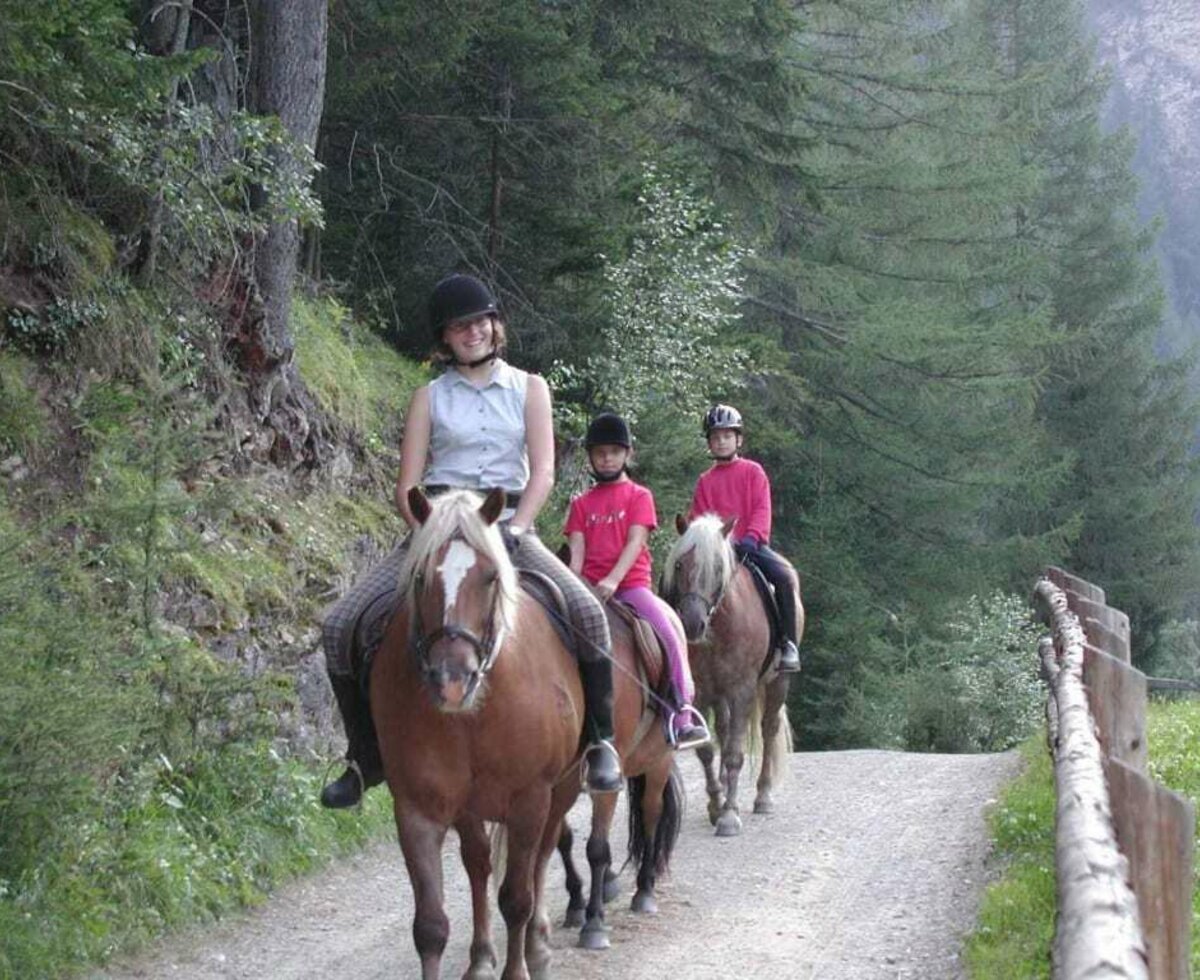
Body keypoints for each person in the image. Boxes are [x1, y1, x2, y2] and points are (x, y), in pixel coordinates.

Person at [318, 273, 622, 808]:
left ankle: (600, 743)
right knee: (341, 623)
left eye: (479, 321)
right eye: (459, 327)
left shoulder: (531, 388)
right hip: (437, 525)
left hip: (505, 521)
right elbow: (407, 485)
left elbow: (544, 471)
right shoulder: (428, 397)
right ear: (445, 338)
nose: (472, 332)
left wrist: (521, 526)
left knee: (589, 614)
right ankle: (364, 756)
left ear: (494, 325)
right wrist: (430, 538)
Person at [565, 413, 710, 749]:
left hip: (631, 587)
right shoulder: (580, 505)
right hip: (589, 590)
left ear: (627, 454)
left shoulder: (638, 496)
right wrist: (573, 583)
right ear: (591, 457)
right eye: (599, 453)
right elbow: (576, 553)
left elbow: (636, 542)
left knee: (670, 634)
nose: (606, 458)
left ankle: (681, 714)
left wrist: (614, 580)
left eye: (614, 452)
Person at [688, 404, 802, 673]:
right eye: (716, 437)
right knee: (680, 582)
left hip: (750, 546)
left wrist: (753, 537)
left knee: (784, 577)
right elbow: (699, 518)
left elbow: (762, 508)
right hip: (716, 552)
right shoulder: (705, 481)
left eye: (727, 436)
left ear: (738, 439)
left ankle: (788, 644)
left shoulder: (753, 472)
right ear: (710, 443)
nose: (721, 442)